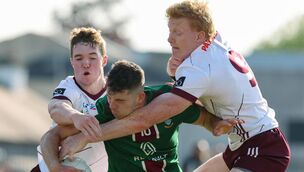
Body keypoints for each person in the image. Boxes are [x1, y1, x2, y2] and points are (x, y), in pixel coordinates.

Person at [64, 1, 290, 172]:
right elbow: (202, 80)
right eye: (170, 31)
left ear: (200, 35)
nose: (170, 39)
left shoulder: (199, 67)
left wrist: (85, 137)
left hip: (263, 149)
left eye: (178, 32)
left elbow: (145, 118)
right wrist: (176, 70)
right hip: (241, 146)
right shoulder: (215, 42)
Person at [40, 60, 242, 172]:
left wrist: (216, 124)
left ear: (140, 98)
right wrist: (55, 167)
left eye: (120, 101)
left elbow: (205, 119)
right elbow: (50, 137)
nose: (112, 105)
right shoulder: (103, 109)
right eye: (110, 97)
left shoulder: (168, 101)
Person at [34, 27, 108, 172]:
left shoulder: (115, 92)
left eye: (92, 57)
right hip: (56, 167)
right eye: (79, 58)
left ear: (104, 60)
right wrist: (76, 116)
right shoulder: (69, 87)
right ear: (72, 62)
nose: (85, 63)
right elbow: (56, 107)